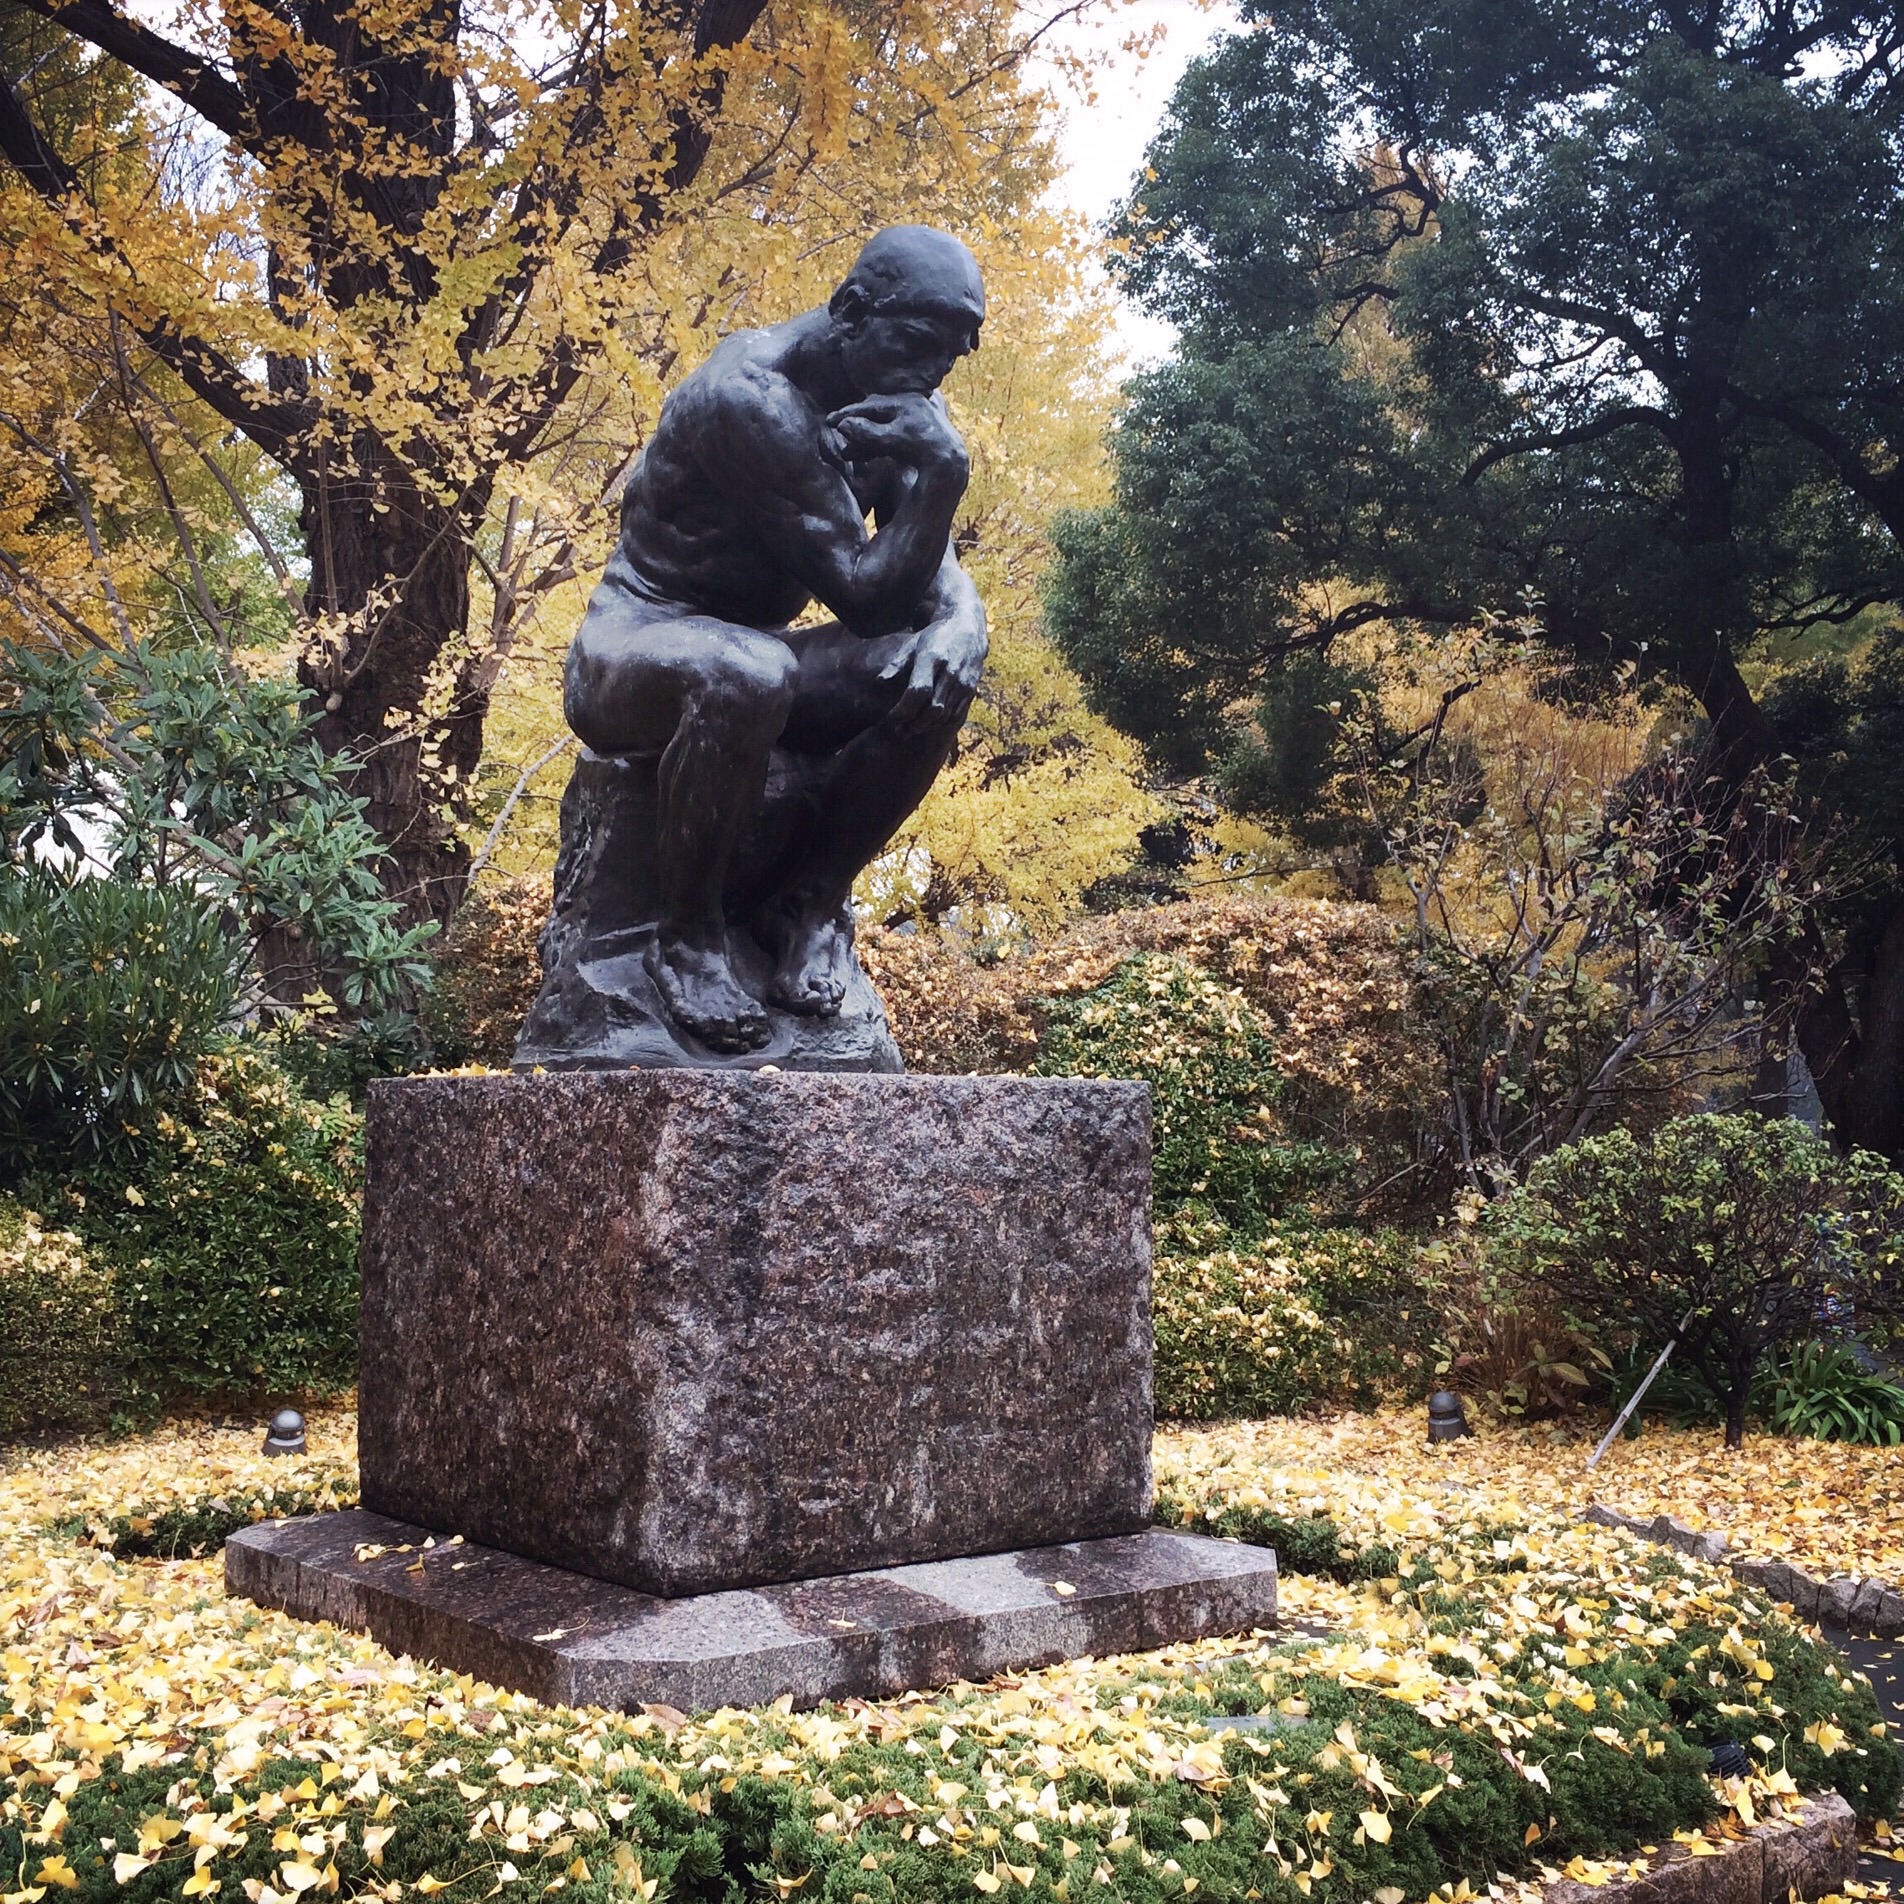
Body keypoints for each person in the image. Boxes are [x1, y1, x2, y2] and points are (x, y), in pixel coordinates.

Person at [562, 225, 988, 1055]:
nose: (933, 372)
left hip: (757, 654)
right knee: (746, 672)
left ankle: (808, 902)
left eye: (949, 354)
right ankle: (685, 941)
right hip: (633, 645)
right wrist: (944, 477)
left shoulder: (905, 400)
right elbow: (867, 594)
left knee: (932, 665)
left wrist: (967, 622)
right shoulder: (749, 396)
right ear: (851, 312)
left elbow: (925, 584)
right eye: (917, 343)